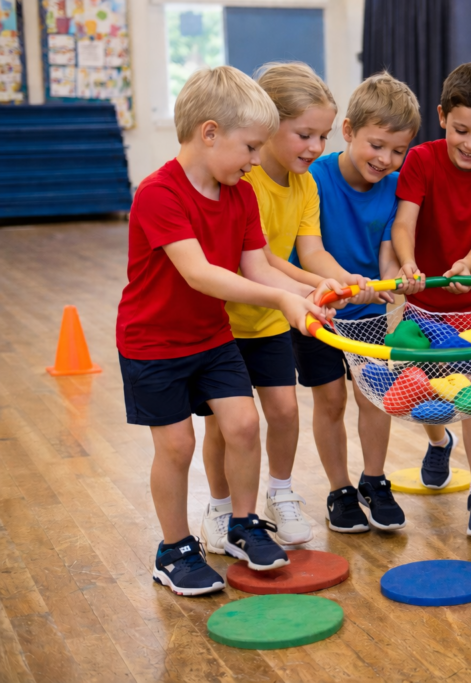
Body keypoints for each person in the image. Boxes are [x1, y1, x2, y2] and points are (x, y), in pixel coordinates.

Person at [115, 66, 341, 595]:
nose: (257, 160)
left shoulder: (240, 194)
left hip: (212, 338)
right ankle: (174, 550)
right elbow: (200, 274)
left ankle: (242, 524)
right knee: (177, 446)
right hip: (154, 344)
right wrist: (282, 298)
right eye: (251, 147)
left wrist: (302, 293)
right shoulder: (157, 193)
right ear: (210, 133)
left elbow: (256, 266)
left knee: (242, 425)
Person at [199, 61, 375, 554]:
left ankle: (280, 494)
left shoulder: (306, 184)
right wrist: (312, 290)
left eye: (323, 136)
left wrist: (339, 281)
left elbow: (310, 251)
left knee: (283, 412)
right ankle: (219, 508)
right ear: (268, 125)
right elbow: (260, 259)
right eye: (305, 135)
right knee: (223, 426)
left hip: (270, 322)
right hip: (225, 324)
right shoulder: (243, 180)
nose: (316, 147)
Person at [289, 70, 421, 533]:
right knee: (329, 401)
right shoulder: (313, 178)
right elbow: (309, 248)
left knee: (374, 399)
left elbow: (387, 254)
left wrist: (393, 282)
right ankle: (340, 488)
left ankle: (374, 479)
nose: (386, 159)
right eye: (377, 145)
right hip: (318, 308)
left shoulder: (395, 187)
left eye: (398, 151)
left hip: (368, 313)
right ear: (347, 131)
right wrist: (345, 283)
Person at [392, 62, 471, 536]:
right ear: (442, 116)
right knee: (428, 391)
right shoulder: (421, 159)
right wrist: (409, 263)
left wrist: (467, 264)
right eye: (461, 130)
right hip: (423, 304)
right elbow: (404, 222)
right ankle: (439, 442)